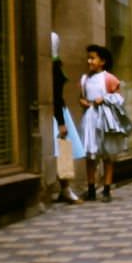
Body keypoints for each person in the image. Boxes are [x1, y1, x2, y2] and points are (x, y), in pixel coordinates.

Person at [80, 44, 132, 202]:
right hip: (90, 117)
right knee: (90, 155)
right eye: (89, 58)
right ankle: (91, 188)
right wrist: (83, 102)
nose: (89, 61)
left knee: (107, 153)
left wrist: (105, 99)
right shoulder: (85, 79)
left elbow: (119, 98)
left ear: (102, 61)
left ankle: (106, 188)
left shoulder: (109, 78)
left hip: (105, 119)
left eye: (93, 58)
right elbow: (82, 96)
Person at [51, 32, 85, 204]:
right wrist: (61, 122)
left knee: (63, 151)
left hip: (57, 112)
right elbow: (55, 95)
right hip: (56, 113)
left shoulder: (54, 66)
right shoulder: (53, 67)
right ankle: (65, 189)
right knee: (63, 151)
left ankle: (65, 189)